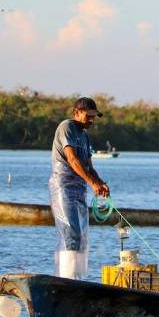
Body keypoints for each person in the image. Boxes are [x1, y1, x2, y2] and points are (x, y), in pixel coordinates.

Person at [49, 97, 110, 280]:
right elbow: (73, 161)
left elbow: (89, 166)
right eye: (88, 116)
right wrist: (93, 183)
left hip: (79, 189)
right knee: (71, 232)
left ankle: (76, 278)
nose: (91, 120)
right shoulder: (66, 127)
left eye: (94, 116)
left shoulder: (84, 136)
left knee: (82, 236)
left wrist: (100, 182)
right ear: (76, 112)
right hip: (63, 188)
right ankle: (66, 279)